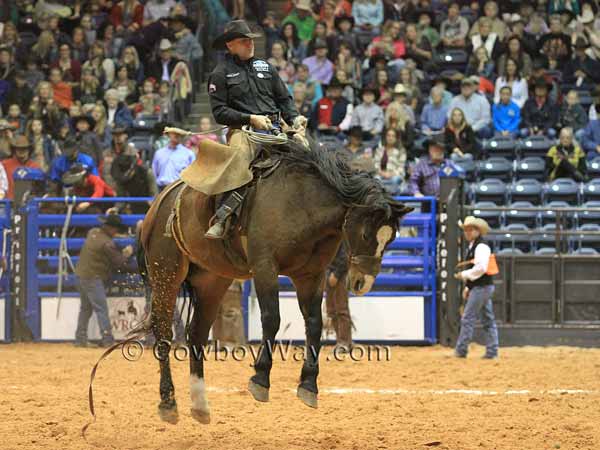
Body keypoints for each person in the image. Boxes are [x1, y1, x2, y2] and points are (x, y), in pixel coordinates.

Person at [186, 20, 306, 240]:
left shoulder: (265, 67)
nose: (249, 44)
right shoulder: (220, 73)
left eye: (250, 40)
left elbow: (284, 98)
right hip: (243, 131)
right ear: (230, 45)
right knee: (239, 158)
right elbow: (220, 112)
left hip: (276, 129)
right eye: (243, 41)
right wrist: (250, 118)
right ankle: (223, 216)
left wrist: (295, 119)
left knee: (308, 154)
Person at [74, 214, 136, 347]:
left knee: (85, 308)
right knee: (101, 308)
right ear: (111, 228)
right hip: (92, 277)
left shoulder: (93, 232)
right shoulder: (107, 244)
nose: (116, 232)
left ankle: (80, 338)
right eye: (115, 230)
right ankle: (107, 339)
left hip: (81, 274)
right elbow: (120, 263)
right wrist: (127, 253)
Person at [454, 216, 499, 359]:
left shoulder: (480, 246)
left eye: (470, 229)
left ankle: (461, 350)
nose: (467, 232)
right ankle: (492, 351)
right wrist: (468, 286)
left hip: (481, 287)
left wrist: (464, 275)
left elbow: (481, 268)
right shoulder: (476, 245)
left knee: (468, 317)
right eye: (465, 230)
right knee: (487, 319)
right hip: (482, 286)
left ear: (477, 231)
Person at [325, 243, 352, 351]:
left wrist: (336, 273)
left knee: (341, 310)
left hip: (339, 275)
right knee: (332, 310)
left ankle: (344, 342)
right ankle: (342, 341)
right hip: (329, 272)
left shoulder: (342, 237)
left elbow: (345, 257)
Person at [1, 135, 41, 200]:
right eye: (18, 148)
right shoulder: (4, 165)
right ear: (14, 149)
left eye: (24, 148)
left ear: (29, 149)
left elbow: (39, 188)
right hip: (6, 204)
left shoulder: (35, 167)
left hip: (28, 204)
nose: (21, 151)